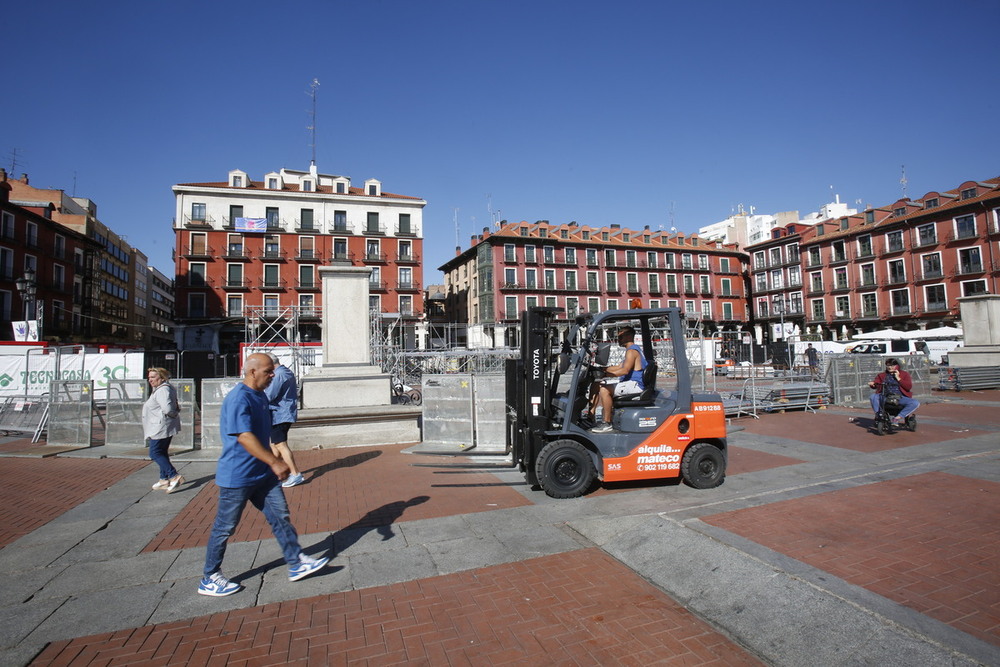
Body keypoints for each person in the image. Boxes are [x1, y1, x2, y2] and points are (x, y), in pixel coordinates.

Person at [199, 353, 328, 597]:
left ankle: (296, 561)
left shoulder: (259, 396)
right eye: (269, 371)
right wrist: (274, 461)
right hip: (238, 475)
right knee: (225, 527)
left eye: (273, 371)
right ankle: (210, 576)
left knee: (280, 516)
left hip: (262, 474)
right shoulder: (238, 399)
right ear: (252, 372)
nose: (273, 375)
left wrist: (271, 462)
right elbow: (244, 436)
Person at [591, 327, 647, 434]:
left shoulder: (632, 351)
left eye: (621, 336)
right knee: (597, 383)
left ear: (629, 336)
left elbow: (624, 371)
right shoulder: (632, 350)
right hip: (631, 383)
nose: (618, 339)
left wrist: (605, 374)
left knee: (604, 389)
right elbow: (619, 367)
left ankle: (607, 423)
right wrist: (600, 369)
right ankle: (591, 413)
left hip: (635, 384)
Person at [264, 352, 304, 488]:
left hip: (279, 414)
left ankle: (295, 473)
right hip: (282, 413)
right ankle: (273, 471)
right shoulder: (285, 371)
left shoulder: (279, 375)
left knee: (280, 444)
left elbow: (270, 394)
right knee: (275, 444)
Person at [143, 367, 184, 493]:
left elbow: (167, 409)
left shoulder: (162, 390)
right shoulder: (162, 389)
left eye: (153, 377)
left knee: (154, 453)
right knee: (162, 452)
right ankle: (163, 479)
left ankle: (174, 476)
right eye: (149, 377)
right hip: (162, 425)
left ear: (162, 378)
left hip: (160, 427)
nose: (150, 380)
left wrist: (173, 414)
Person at [868, 358, 920, 426]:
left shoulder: (904, 374)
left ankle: (897, 418)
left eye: (892, 365)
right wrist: (873, 384)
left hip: (899, 397)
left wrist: (898, 378)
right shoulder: (882, 375)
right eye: (888, 365)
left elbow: (908, 387)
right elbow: (877, 384)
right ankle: (879, 415)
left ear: (897, 366)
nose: (890, 367)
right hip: (886, 396)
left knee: (915, 403)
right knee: (873, 397)